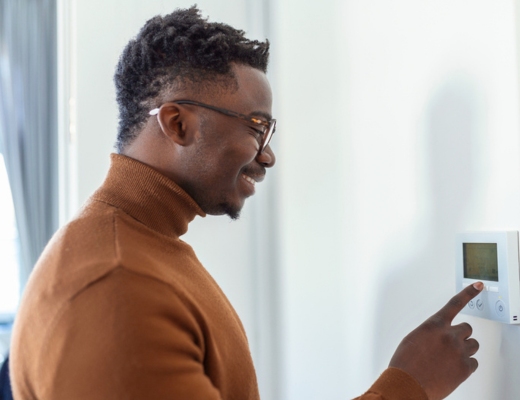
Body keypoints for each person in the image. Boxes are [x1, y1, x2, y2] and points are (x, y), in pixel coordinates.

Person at [10, 6, 482, 400]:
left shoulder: (143, 248)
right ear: (177, 125)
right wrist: (405, 388)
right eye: (257, 128)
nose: (268, 155)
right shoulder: (117, 286)